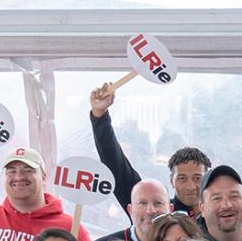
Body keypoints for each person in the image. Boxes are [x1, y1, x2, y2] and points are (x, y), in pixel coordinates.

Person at [88, 82, 207, 218]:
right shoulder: (155, 213)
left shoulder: (221, 215)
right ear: (171, 180)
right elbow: (116, 166)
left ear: (208, 180)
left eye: (198, 178)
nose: (190, 186)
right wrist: (100, 116)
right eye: (182, 178)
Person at [83, 178, 173, 241]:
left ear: (170, 209)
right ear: (130, 210)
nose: (150, 210)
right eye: (142, 203)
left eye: (158, 203)